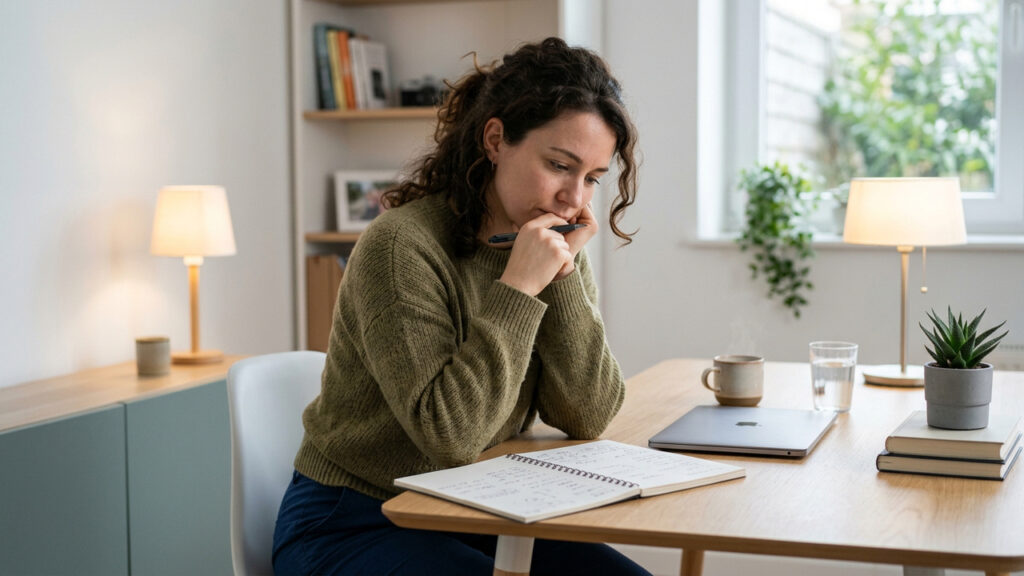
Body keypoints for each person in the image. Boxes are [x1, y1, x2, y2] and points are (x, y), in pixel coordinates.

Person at [273, 37, 645, 576]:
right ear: (496, 139)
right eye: (559, 165)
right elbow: (452, 437)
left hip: (476, 509)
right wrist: (518, 289)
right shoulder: (401, 248)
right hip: (353, 520)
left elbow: (587, 415)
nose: (575, 199)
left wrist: (560, 276)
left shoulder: (546, 240)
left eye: (591, 178)